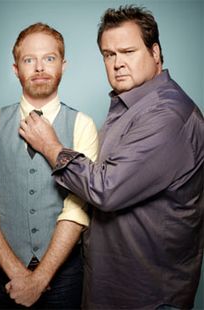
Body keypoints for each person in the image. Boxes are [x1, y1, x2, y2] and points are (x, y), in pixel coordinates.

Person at [18, 5, 204, 310]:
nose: (117, 64)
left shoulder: (168, 115)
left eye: (128, 51)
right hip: (110, 288)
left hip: (148, 297)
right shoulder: (131, 106)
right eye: (109, 54)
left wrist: (51, 147)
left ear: (155, 52)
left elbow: (106, 189)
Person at [0, 22, 98, 309]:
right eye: (29, 60)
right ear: (16, 69)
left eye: (49, 58)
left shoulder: (83, 126)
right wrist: (18, 273)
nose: (40, 67)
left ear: (63, 65)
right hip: (4, 274)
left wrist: (40, 279)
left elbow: (77, 208)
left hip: (66, 277)